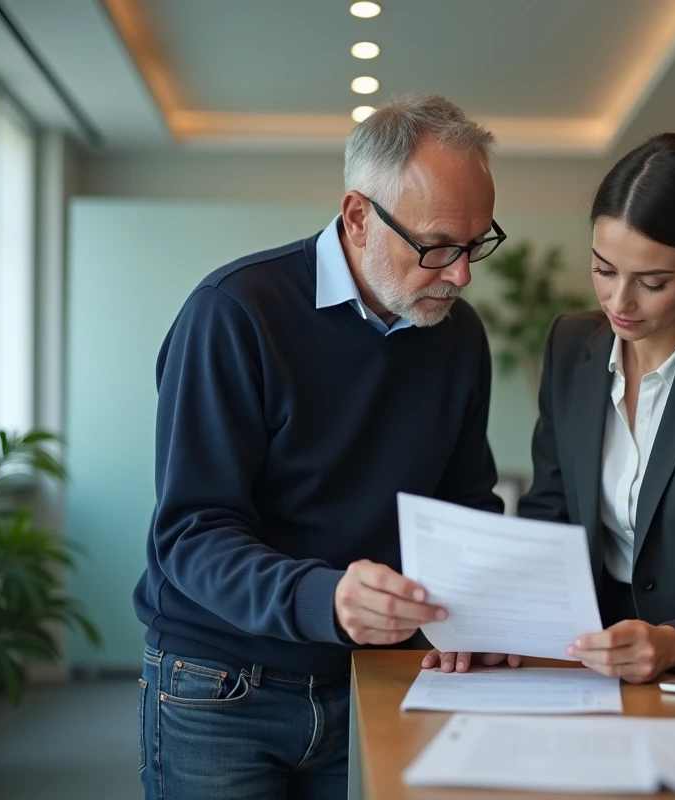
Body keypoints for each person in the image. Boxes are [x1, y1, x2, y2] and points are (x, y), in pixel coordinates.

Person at [133, 94, 521, 800]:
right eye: (438, 246)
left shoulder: (458, 336)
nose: (462, 274)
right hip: (221, 685)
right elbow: (191, 533)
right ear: (357, 216)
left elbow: (464, 503)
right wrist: (326, 598)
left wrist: (475, 611)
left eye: (475, 245)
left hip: (381, 677)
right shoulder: (233, 313)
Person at [424, 132, 675, 681]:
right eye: (604, 269)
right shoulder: (571, 346)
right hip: (597, 659)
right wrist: (502, 625)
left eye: (652, 282)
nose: (620, 302)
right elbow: (551, 516)